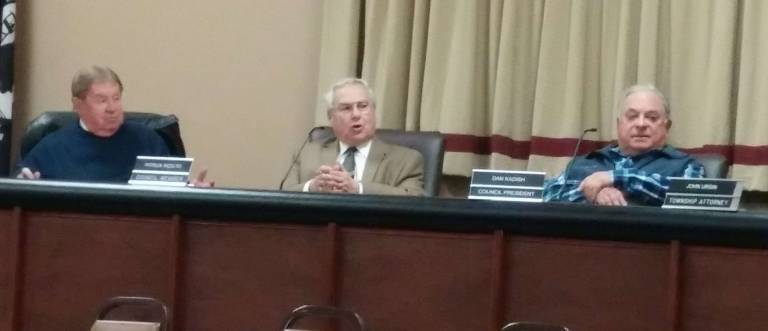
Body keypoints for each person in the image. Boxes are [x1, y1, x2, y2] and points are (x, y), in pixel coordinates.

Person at [17, 65, 210, 185]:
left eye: (116, 98)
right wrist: (23, 185)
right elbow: (20, 187)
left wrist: (195, 192)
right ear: (78, 105)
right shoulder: (51, 148)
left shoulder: (148, 140)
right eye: (101, 100)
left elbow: (172, 194)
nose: (112, 108)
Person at [543, 84, 704, 206]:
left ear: (667, 127)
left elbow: (692, 197)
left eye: (652, 117)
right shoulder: (586, 162)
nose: (641, 124)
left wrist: (617, 178)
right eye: (632, 116)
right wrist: (594, 193)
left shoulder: (686, 166)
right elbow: (547, 194)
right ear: (619, 124)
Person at [283, 78, 424, 195]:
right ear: (331, 117)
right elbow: (283, 194)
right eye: (346, 108)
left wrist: (358, 189)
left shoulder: (407, 160)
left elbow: (414, 199)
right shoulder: (307, 153)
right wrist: (312, 187)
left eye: (363, 106)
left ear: (373, 112)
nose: (356, 114)